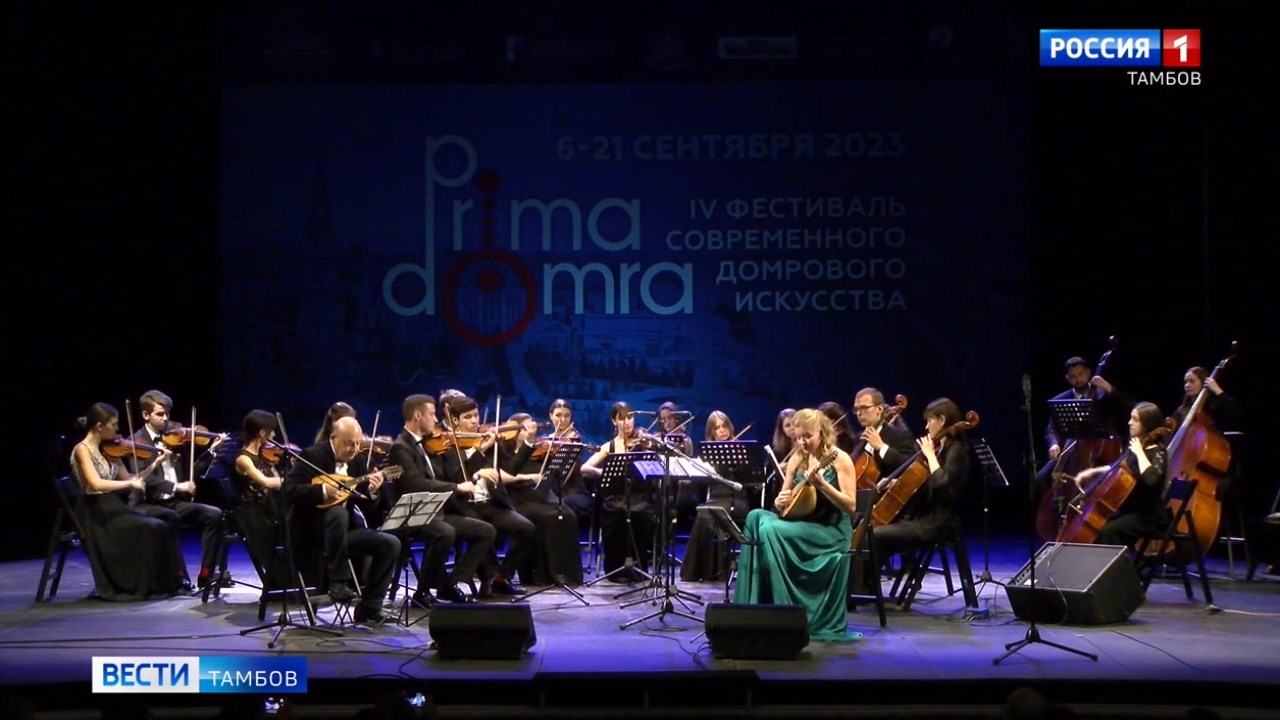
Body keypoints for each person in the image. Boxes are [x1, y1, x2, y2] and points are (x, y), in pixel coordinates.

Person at [733, 408, 861, 641]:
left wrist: (823, 485)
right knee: (755, 517)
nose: (802, 442)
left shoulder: (839, 459)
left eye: (807, 436)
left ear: (821, 432)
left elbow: (851, 507)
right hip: (800, 524)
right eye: (798, 437)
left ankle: (783, 613)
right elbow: (784, 507)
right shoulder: (797, 458)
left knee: (770, 529)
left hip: (830, 531)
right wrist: (779, 501)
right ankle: (752, 606)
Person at [285, 415, 402, 624]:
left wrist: (373, 492)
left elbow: (367, 507)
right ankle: (337, 582)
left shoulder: (358, 460)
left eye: (357, 443)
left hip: (343, 534)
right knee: (337, 513)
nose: (354, 449)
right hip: (311, 533)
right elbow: (289, 491)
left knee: (390, 543)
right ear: (333, 438)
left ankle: (370, 608)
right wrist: (322, 491)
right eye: (348, 443)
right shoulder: (312, 456)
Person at [68, 402, 186, 600]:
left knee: (161, 525)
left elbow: (132, 478)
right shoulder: (82, 449)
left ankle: (168, 582)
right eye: (113, 425)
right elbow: (95, 484)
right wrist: (129, 485)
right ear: (99, 426)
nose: (117, 429)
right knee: (149, 527)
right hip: (95, 513)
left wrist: (155, 463)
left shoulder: (109, 450)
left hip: (112, 506)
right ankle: (140, 585)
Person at [384, 394, 494, 605]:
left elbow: (451, 475)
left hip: (435, 512)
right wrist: (456, 488)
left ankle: (451, 584)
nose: (436, 420)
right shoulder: (401, 447)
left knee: (485, 530)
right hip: (412, 514)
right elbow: (415, 484)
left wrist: (478, 453)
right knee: (445, 532)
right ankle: (422, 592)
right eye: (432, 414)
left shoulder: (427, 444)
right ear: (418, 415)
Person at [128, 389, 226, 590]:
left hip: (174, 502)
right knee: (169, 517)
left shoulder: (175, 438)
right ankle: (179, 575)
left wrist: (211, 451)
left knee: (215, 515)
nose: (166, 419)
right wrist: (176, 486)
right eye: (160, 414)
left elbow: (192, 472)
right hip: (147, 503)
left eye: (167, 414)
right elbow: (145, 478)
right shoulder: (137, 442)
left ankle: (207, 574)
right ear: (146, 415)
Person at [438, 394, 532, 596]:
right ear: (455, 420)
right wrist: (479, 459)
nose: (474, 421)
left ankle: (501, 577)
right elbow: (454, 477)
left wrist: (528, 443)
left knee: (527, 529)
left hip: (491, 502)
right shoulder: (447, 445)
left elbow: (512, 469)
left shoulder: (488, 440)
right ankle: (486, 579)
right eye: (468, 417)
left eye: (476, 415)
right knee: (484, 530)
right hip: (465, 505)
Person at [870, 398, 972, 558]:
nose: (926, 427)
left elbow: (941, 486)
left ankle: (868, 575)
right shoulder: (941, 449)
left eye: (929, 421)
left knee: (875, 536)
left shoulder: (956, 451)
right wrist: (896, 483)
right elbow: (927, 484)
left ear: (942, 420)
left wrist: (930, 455)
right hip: (921, 518)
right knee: (871, 533)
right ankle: (867, 575)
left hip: (935, 524)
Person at [498, 412, 584, 585]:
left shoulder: (539, 451)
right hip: (519, 499)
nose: (531, 432)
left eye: (532, 428)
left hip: (541, 496)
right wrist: (527, 477)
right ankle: (543, 574)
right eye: (525, 429)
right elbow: (502, 475)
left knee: (567, 514)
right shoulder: (506, 453)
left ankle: (566, 574)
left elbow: (556, 474)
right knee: (549, 517)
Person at [1072, 401, 1170, 550]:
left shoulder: (1158, 452)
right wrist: (1092, 472)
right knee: (1099, 525)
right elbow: (1120, 468)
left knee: (1108, 532)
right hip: (1129, 511)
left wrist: (1139, 452)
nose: (1130, 423)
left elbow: (1150, 479)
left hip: (1149, 516)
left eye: (1135, 419)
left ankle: (1118, 564)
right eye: (1131, 418)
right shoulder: (1135, 445)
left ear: (1148, 424)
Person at [581, 402, 655, 582]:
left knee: (641, 513)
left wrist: (650, 447)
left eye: (630, 417)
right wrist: (603, 472)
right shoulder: (610, 446)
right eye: (622, 419)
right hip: (615, 498)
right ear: (614, 422)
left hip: (638, 498)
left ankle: (639, 566)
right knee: (617, 514)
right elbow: (585, 468)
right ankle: (616, 569)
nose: (627, 422)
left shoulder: (643, 443)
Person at [680, 411, 751, 582]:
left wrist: (740, 460)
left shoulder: (739, 448)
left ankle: (721, 570)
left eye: (724, 426)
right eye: (717, 428)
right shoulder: (709, 452)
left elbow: (749, 479)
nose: (722, 431)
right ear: (711, 432)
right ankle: (701, 571)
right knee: (703, 514)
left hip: (737, 497)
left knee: (716, 512)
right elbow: (705, 482)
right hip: (716, 497)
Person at [227, 410, 288, 586]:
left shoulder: (263, 456)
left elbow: (275, 480)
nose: (274, 435)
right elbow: (265, 482)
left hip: (268, 508)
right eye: (272, 431)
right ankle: (279, 579)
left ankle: (294, 575)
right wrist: (290, 481)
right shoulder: (243, 459)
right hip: (253, 514)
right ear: (262, 433)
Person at [849, 387, 917, 485]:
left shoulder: (900, 435)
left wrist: (881, 447)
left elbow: (910, 466)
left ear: (879, 409)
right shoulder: (857, 439)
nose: (859, 413)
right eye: (856, 409)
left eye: (864, 408)